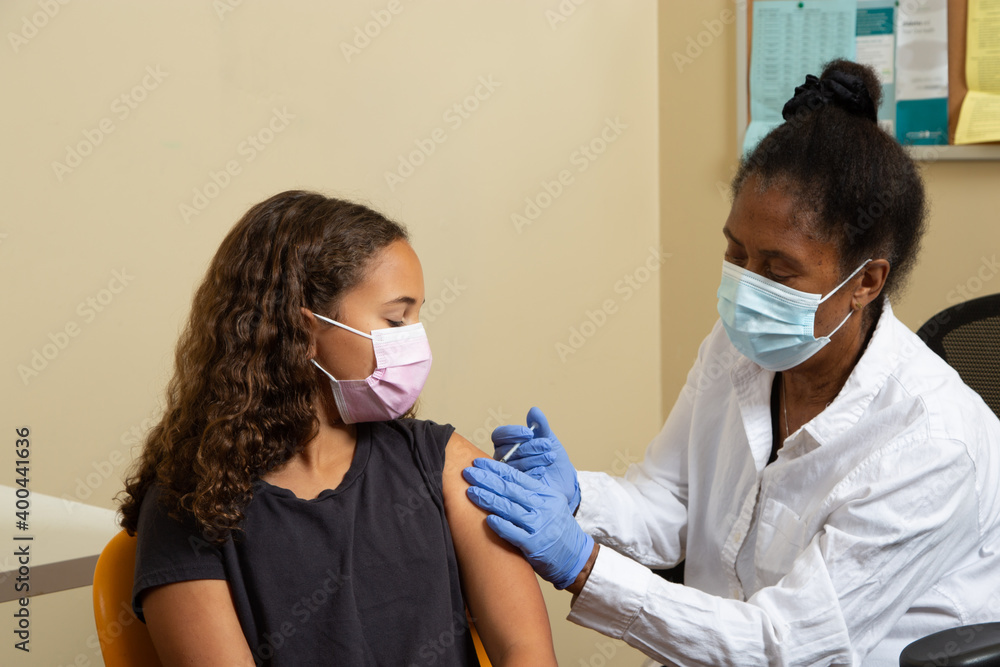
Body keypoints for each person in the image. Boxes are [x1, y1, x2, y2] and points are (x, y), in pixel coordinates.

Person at [462, 59, 1000, 666]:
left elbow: (782, 646)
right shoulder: (740, 345)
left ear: (866, 282)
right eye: (736, 253)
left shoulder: (932, 446)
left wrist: (583, 565)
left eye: (778, 270)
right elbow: (672, 502)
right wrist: (577, 497)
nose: (746, 288)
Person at [118, 191, 557, 666]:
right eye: (396, 319)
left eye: (416, 317)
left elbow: (525, 650)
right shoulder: (191, 505)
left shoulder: (441, 460)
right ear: (304, 330)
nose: (415, 341)